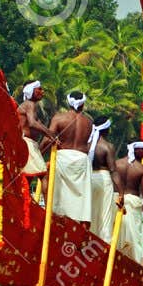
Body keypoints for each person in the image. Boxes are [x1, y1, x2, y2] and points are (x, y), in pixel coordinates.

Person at [46, 91, 95, 224]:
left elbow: (47, 137)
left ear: (68, 102)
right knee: (83, 203)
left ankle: (57, 226)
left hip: (63, 158)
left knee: (58, 200)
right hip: (81, 160)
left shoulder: (59, 118)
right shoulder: (88, 123)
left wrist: (38, 153)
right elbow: (89, 145)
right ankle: (82, 233)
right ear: (83, 104)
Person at [113, 141, 143, 261]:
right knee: (134, 238)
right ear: (137, 150)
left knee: (116, 234)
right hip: (127, 202)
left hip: (116, 200)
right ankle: (134, 262)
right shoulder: (142, 169)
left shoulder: (116, 163)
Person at [86, 121, 117, 242]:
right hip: (104, 179)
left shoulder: (87, 145)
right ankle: (103, 243)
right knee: (105, 215)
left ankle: (88, 239)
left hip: (89, 179)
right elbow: (113, 170)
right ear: (106, 130)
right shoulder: (108, 146)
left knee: (89, 211)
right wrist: (120, 192)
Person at [16, 80, 53, 176]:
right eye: (39, 89)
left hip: (30, 144)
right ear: (31, 90)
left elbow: (38, 126)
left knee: (36, 175)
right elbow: (32, 123)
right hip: (26, 144)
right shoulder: (29, 104)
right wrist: (49, 134)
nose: (42, 92)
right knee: (42, 175)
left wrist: (51, 136)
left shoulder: (31, 106)